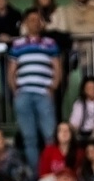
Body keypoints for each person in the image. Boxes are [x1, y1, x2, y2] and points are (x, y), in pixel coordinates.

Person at [9, 10, 62, 171]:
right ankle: (36, 174)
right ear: (25, 23)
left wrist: (53, 87)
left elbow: (57, 68)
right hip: (23, 94)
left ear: (42, 23)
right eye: (31, 19)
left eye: (37, 19)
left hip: (43, 94)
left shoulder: (50, 43)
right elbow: (11, 71)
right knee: (29, 138)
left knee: (50, 136)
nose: (34, 22)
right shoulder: (17, 44)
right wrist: (15, 90)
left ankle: (51, 172)